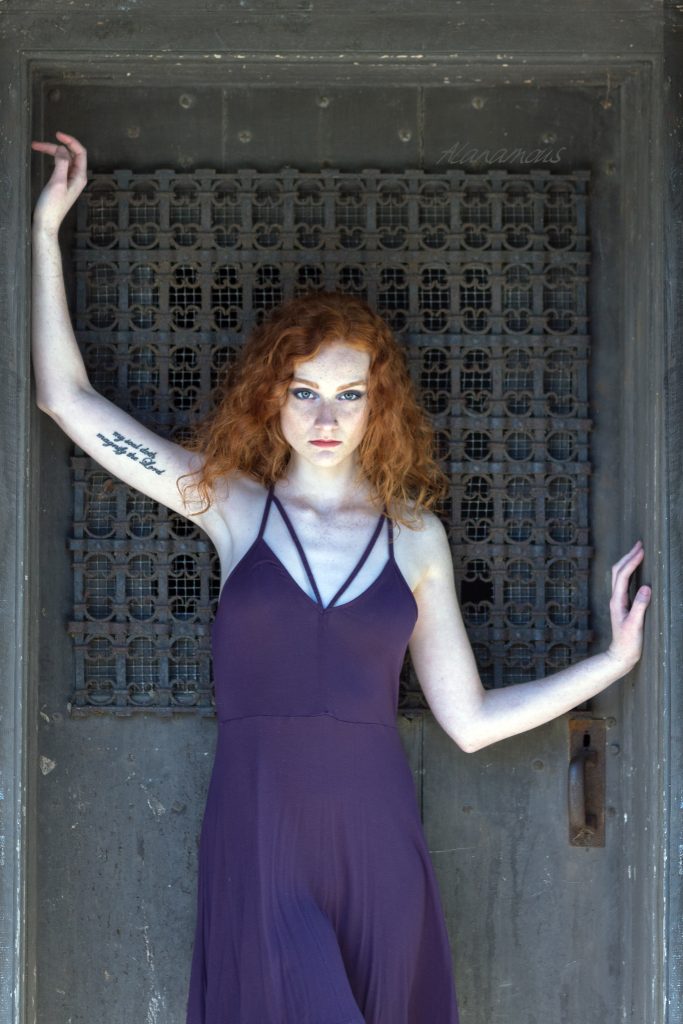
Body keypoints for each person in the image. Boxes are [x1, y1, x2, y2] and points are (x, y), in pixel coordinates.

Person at [31, 131, 651, 1024]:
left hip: (375, 837)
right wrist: (46, 232)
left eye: (350, 394)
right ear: (270, 396)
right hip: (258, 830)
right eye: (305, 390)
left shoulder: (416, 539)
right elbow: (67, 401)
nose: (326, 415)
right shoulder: (230, 506)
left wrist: (610, 664)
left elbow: (468, 723)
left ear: (378, 406)